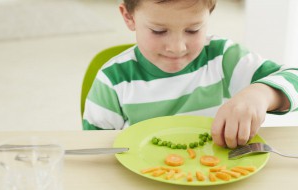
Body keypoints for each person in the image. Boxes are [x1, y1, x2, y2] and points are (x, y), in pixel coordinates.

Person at [83, 0, 298, 148]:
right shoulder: (112, 80)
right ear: (129, 17)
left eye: (193, 30)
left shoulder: (224, 59)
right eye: (159, 31)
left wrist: (261, 94)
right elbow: (93, 150)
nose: (177, 48)